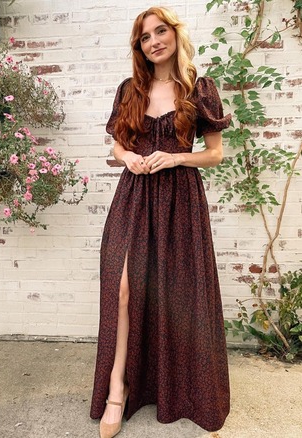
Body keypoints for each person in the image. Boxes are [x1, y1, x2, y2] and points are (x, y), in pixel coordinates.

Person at [90, 6, 231, 438]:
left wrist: (175, 156)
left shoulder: (199, 89)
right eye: (145, 37)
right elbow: (117, 147)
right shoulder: (129, 89)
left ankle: (182, 390)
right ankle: (118, 389)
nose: (154, 41)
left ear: (174, 34)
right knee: (124, 288)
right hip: (133, 198)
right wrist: (129, 156)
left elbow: (215, 153)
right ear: (140, 47)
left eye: (160, 31)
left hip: (180, 202)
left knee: (176, 294)